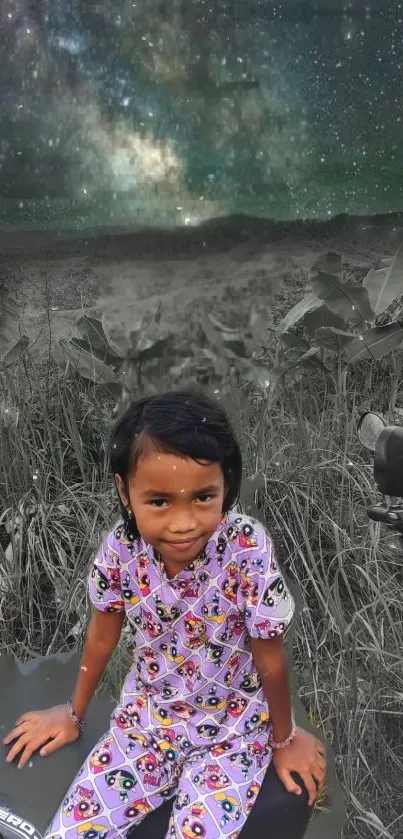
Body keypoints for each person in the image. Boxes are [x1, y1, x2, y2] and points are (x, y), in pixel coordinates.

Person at [3, 388, 327, 839]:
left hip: (231, 736)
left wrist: (285, 739)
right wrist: (73, 714)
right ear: (125, 490)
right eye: (159, 501)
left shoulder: (247, 550)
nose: (182, 523)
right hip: (146, 724)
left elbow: (270, 659)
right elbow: (101, 637)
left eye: (202, 497)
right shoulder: (121, 549)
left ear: (225, 487)